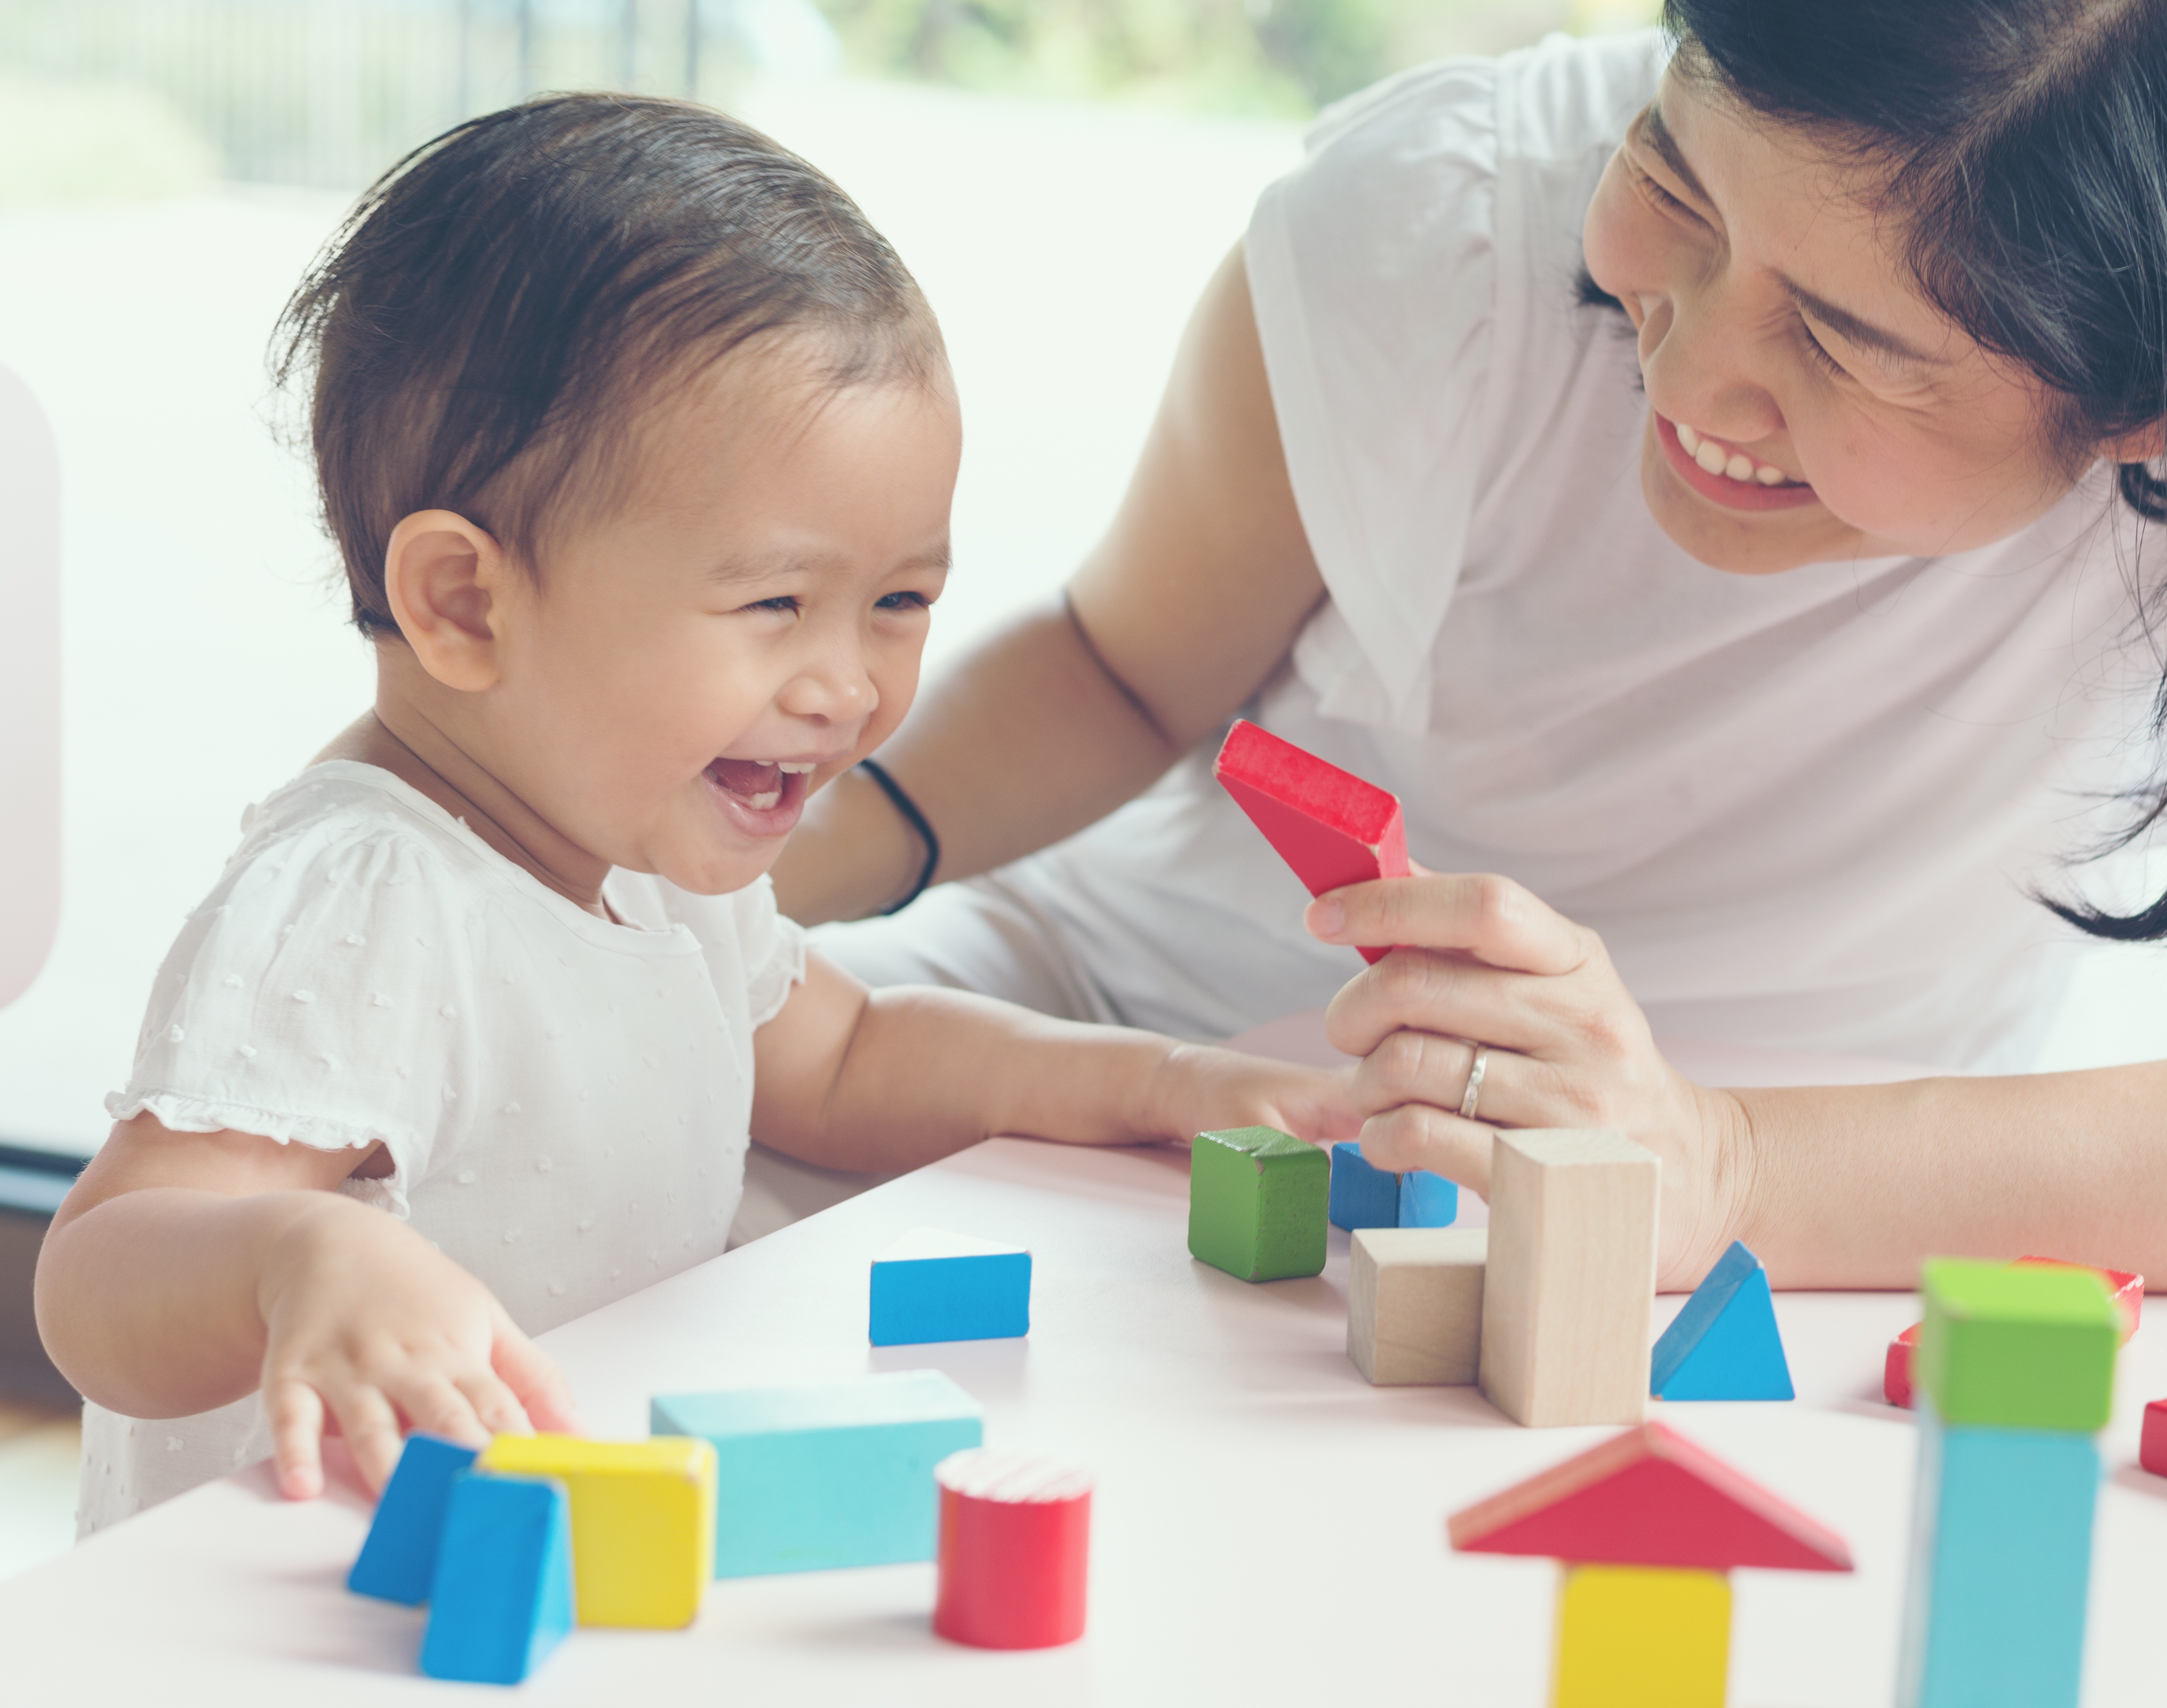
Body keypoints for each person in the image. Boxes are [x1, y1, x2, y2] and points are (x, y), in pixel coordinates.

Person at [778, 0, 2167, 1292]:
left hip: (1806, 1230)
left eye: (1835, 345)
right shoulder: (1445, 230)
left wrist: (1729, 1167)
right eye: (1672, 186)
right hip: (1132, 1039)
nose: (1682, 371)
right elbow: (1117, 673)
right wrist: (694, 866)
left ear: (2155, 409)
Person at [34, 94, 1353, 1532]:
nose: (847, 686)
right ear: (465, 604)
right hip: (290, 1605)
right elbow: (94, 1278)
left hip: (549, 1545)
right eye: (776, 605)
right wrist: (293, 1260)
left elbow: (845, 1058)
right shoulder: (367, 902)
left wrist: (1151, 1083)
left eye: (900, 603)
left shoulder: (652, 848)